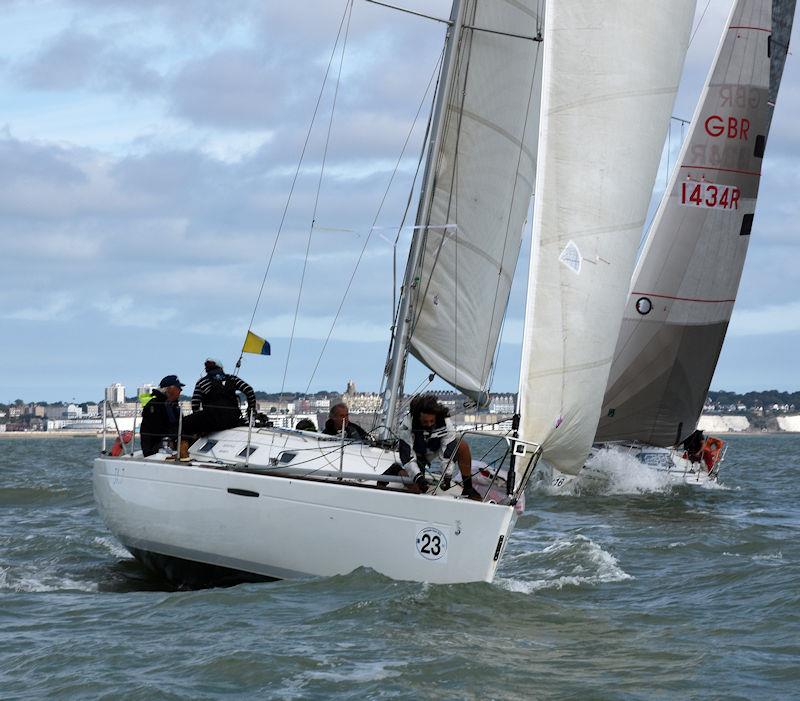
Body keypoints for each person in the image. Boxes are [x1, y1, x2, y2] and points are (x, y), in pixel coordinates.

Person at [395, 394, 481, 499]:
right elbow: (407, 456)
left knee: (462, 445)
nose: (429, 424)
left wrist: (447, 476)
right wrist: (418, 477)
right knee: (418, 489)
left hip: (434, 449)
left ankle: (468, 488)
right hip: (417, 454)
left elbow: (448, 450)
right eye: (425, 422)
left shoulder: (445, 422)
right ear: (418, 417)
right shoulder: (406, 425)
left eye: (432, 421)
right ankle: (396, 469)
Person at [182, 359, 257, 438]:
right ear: (221, 368)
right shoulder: (232, 378)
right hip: (233, 420)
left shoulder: (202, 382)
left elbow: (195, 403)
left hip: (212, 421)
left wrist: (199, 424)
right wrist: (250, 412)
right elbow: (249, 390)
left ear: (206, 370)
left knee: (183, 423)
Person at [139, 375, 184, 457]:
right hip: (156, 448)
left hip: (168, 444)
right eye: (178, 387)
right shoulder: (155, 406)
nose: (181, 390)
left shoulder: (173, 405)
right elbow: (158, 429)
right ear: (169, 389)